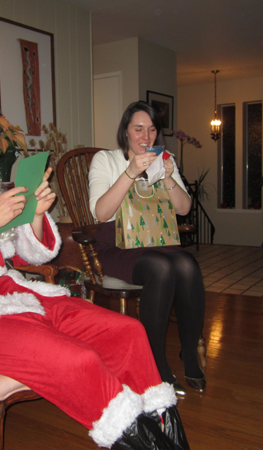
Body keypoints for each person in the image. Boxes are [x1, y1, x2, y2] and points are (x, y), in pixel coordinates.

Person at [0, 91, 190, 450]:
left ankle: (169, 438)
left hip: (18, 296)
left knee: (128, 332)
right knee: (78, 360)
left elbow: (21, 253)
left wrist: (34, 215)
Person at [88, 101, 206, 394]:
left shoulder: (164, 159)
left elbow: (184, 209)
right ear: (125, 131)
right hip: (116, 243)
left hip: (156, 239)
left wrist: (167, 176)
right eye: (138, 129)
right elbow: (101, 213)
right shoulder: (106, 160)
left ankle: (189, 354)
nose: (146, 136)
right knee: (160, 267)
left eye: (152, 129)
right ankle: (155, 362)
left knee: (188, 264)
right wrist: (129, 173)